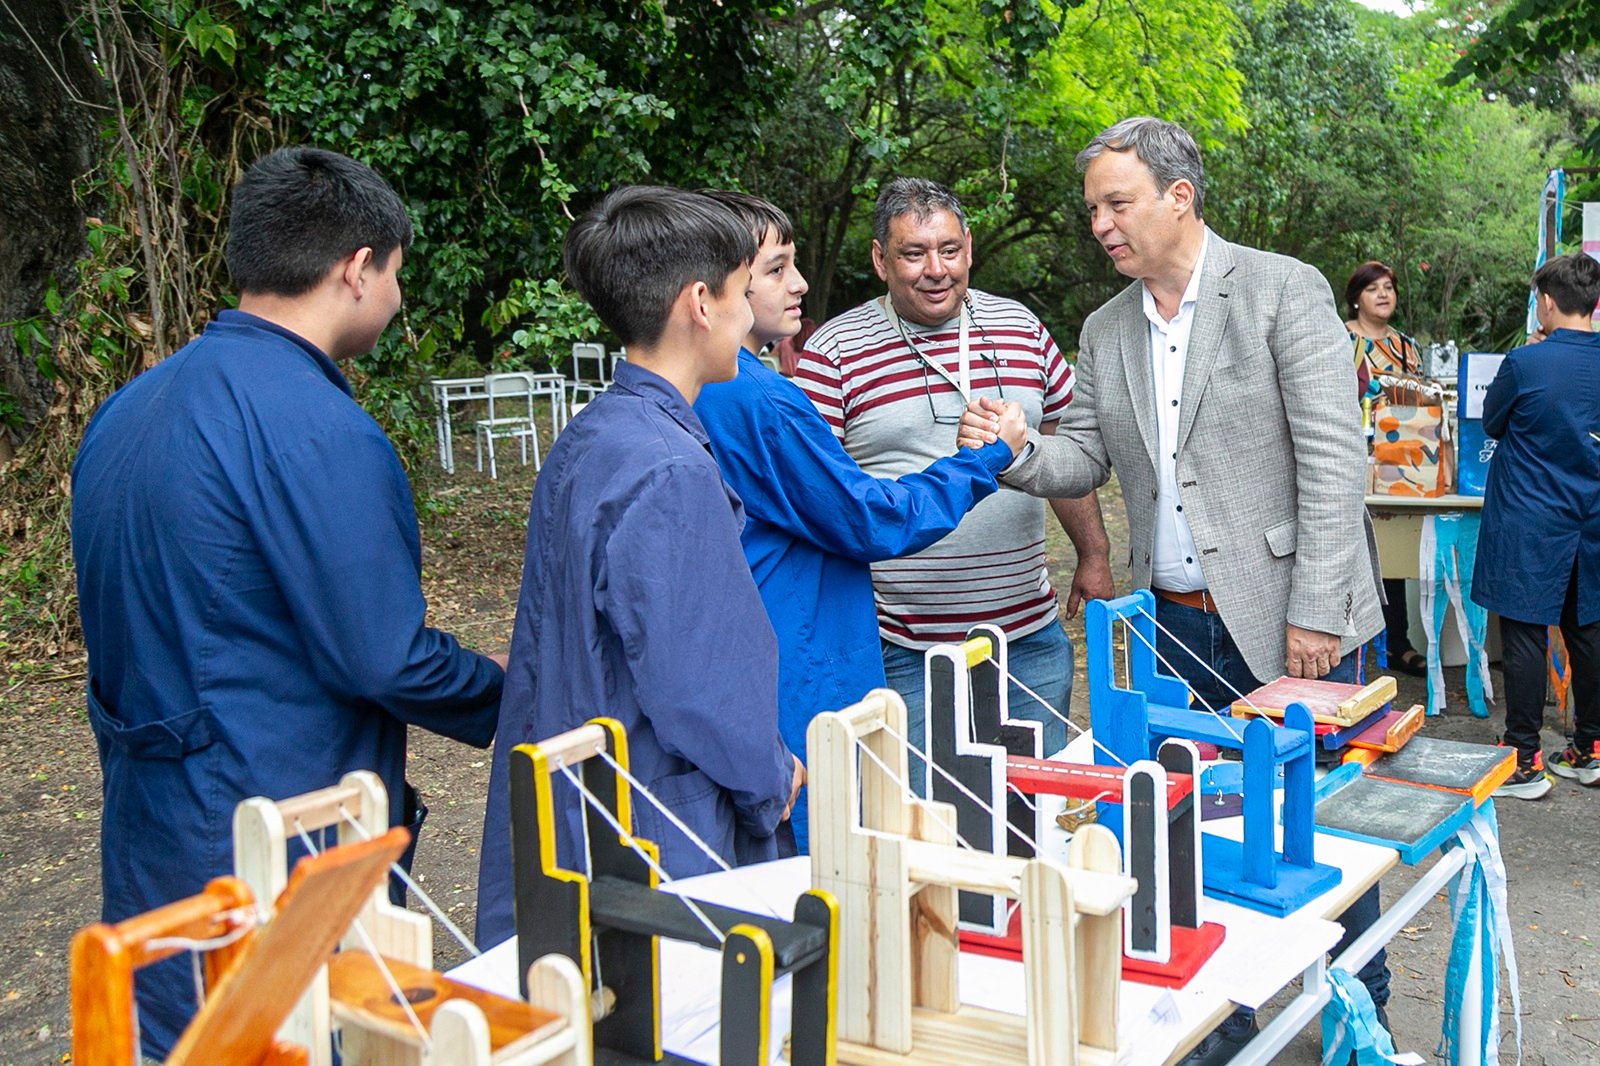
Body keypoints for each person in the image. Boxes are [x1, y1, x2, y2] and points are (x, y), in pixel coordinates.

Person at [959, 117, 1388, 1063]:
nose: (1102, 226)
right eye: (1093, 212)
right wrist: (1016, 446)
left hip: (1293, 618)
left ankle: (1365, 1021)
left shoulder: (1282, 289)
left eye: (1118, 204)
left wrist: (1316, 612)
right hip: (1174, 631)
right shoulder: (1105, 329)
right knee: (1191, 832)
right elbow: (1086, 457)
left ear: (1178, 197)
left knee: (1326, 840)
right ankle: (1226, 1023)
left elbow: (1332, 459)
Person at [70, 147, 505, 1057]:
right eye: (396, 276)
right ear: (358, 268)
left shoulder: (128, 409)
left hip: (153, 839)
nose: (395, 299)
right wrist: (511, 692)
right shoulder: (320, 429)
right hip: (271, 834)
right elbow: (381, 655)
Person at [475, 187, 803, 948]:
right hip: (654, 820)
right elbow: (700, 682)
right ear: (700, 301)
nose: (749, 316)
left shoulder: (591, 434)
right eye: (739, 291)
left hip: (574, 798)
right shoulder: (667, 468)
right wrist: (768, 776)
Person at [692, 190, 1027, 852]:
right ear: (718, 287)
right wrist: (988, 457)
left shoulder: (705, 385)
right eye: (777, 268)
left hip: (754, 654)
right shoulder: (756, 398)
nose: (800, 283)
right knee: (828, 860)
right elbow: (867, 517)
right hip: (799, 663)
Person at [795, 178, 1113, 774]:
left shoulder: (1019, 326)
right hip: (903, 646)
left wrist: (1093, 554)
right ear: (879, 259)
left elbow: (1069, 452)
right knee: (922, 823)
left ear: (968, 246)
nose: (935, 269)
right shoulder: (834, 350)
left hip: (1029, 636)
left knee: (1031, 816)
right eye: (913, 254)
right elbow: (823, 500)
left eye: (948, 249)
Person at [1472, 252, 1600, 799]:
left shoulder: (1525, 363)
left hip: (1529, 517)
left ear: (1546, 303)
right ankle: (1589, 750)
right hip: (1590, 519)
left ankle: (1524, 762)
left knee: (1524, 635)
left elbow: (1493, 420)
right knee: (1588, 631)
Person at [1345, 261, 1426, 678]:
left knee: (1393, 548)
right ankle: (1355, 641)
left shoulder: (1406, 346)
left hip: (1400, 458)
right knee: (1354, 546)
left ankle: (1398, 642)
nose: (1383, 295)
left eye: (1389, 288)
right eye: (1373, 288)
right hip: (1351, 453)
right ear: (1356, 296)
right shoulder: (1340, 338)